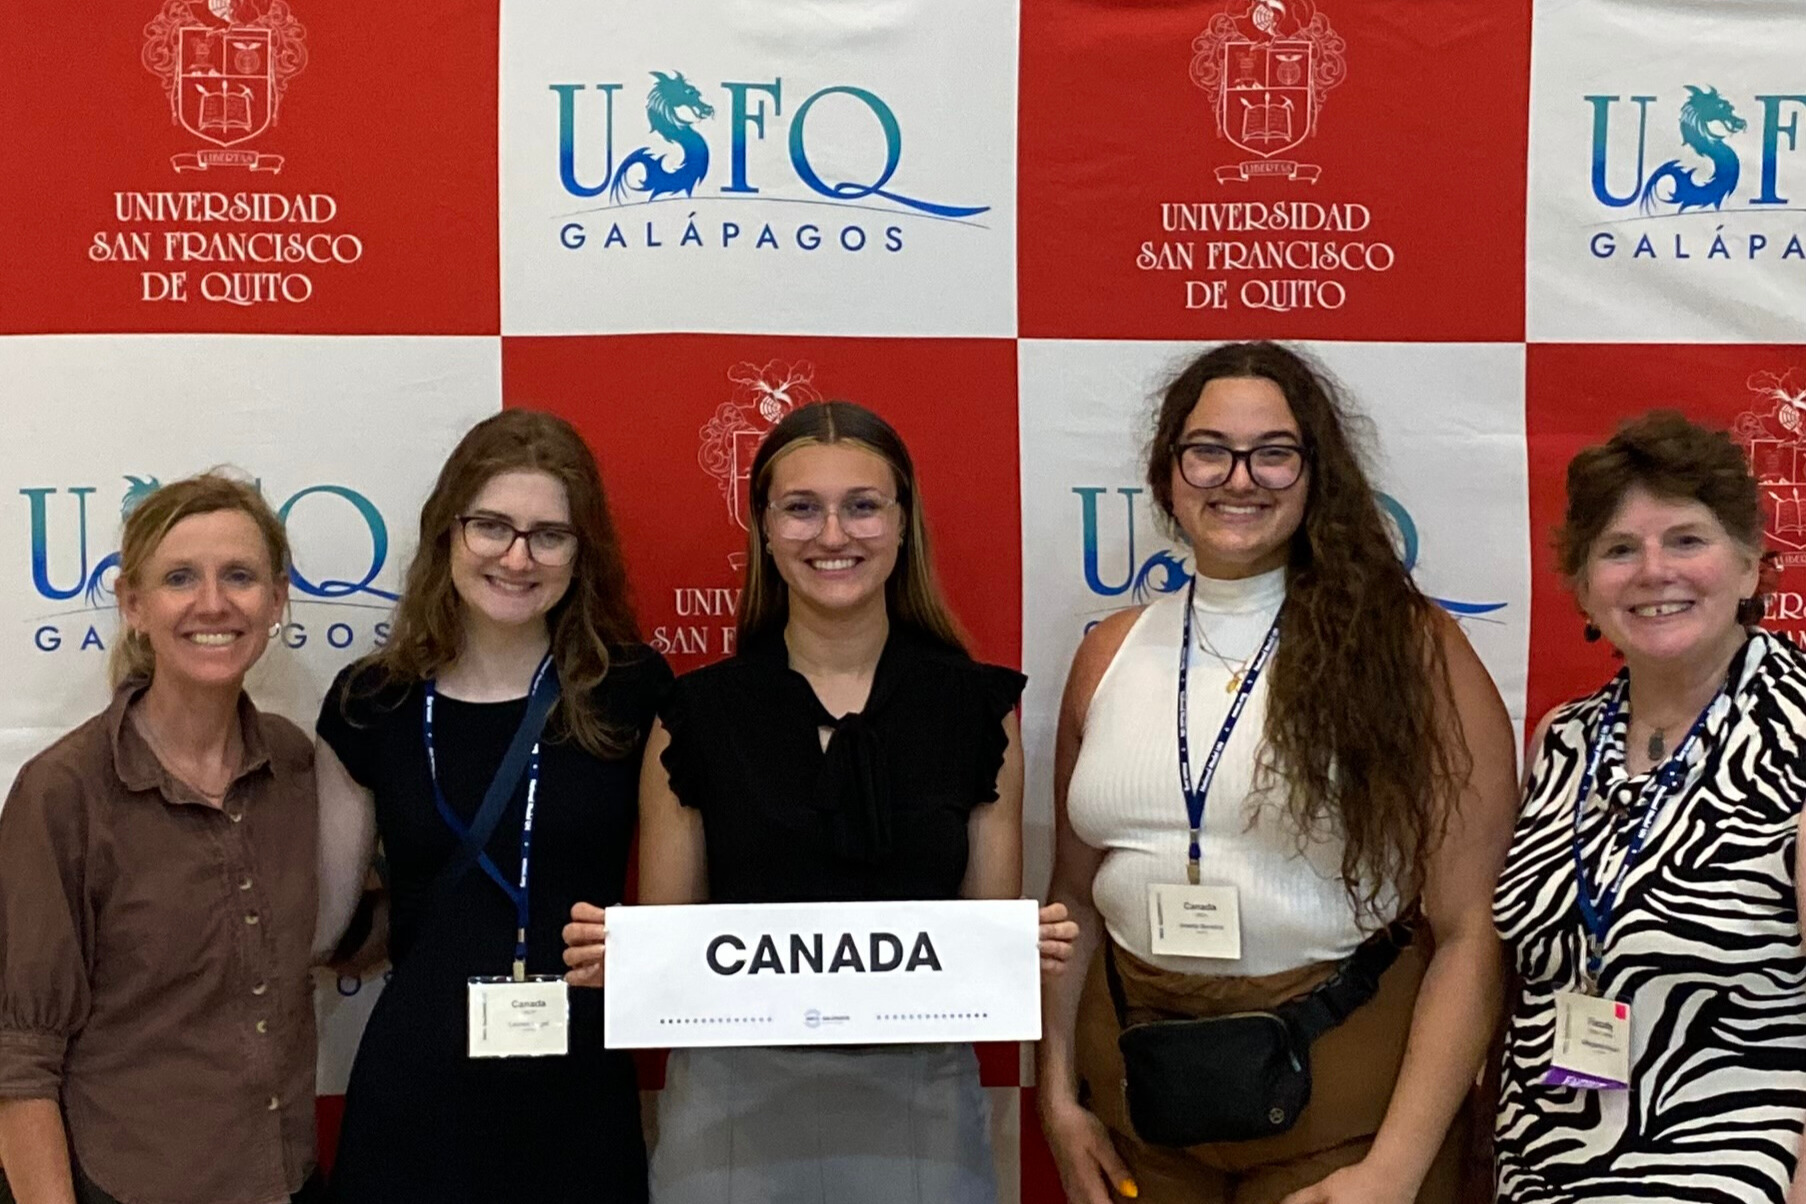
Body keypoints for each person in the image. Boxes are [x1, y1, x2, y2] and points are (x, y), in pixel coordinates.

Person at [1037, 342, 1519, 1204]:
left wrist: (1396, 1170)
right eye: (1208, 449)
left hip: (1346, 1129)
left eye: (1274, 452)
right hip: (1138, 1114)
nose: (1239, 477)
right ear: (1169, 470)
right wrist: (1058, 1097)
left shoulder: (1412, 651)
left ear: (1315, 471)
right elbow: (1070, 899)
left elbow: (1470, 930)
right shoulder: (1107, 653)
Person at [563, 400, 1074, 1204]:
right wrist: (622, 958)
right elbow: (671, 950)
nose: (833, 536)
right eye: (801, 509)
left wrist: (1018, 945)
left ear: (904, 525)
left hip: (922, 1111)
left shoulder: (978, 712)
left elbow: (981, 947)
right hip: (733, 1111)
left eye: (863, 506)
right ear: (765, 530)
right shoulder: (694, 715)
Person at [313, 410, 670, 1204]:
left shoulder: (633, 693)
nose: (517, 558)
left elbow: (686, 908)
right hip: (414, 1092)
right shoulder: (372, 702)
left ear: (583, 555)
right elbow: (320, 921)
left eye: (550, 535)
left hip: (577, 1093)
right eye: (492, 527)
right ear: (448, 531)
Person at [1493, 411, 1806, 1203]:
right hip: (1542, 1179)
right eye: (1620, 549)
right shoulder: (1561, 741)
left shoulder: (1796, 736)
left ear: (1747, 566)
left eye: (1687, 540)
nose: (1653, 571)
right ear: (1583, 586)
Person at [0, 473, 321, 1204]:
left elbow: (353, 929)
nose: (213, 602)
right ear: (134, 606)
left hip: (288, 1184)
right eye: (181, 578)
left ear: (275, 602)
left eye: (239, 576)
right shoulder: (62, 794)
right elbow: (19, 1057)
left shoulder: (296, 766)